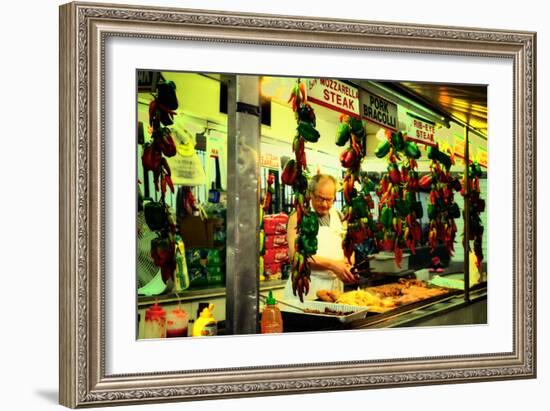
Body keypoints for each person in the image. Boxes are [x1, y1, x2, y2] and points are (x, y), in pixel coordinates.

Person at [284, 174, 358, 301]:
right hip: (307, 286)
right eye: (320, 198)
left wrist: (348, 264)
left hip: (334, 289)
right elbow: (294, 255)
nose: (324, 204)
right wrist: (333, 265)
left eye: (329, 200)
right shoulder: (298, 217)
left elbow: (349, 249)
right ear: (310, 194)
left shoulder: (340, 217)